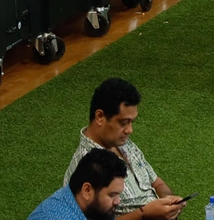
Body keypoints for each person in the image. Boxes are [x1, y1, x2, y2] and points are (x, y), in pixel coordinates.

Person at [64, 78, 185, 220]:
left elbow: (156, 182)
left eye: (132, 122)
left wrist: (169, 200)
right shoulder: (84, 166)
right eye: (123, 122)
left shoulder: (122, 142)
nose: (129, 130)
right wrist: (144, 213)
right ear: (100, 117)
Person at [29, 148, 128, 220]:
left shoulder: (92, 209)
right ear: (87, 190)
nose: (117, 201)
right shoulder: (57, 217)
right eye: (112, 195)